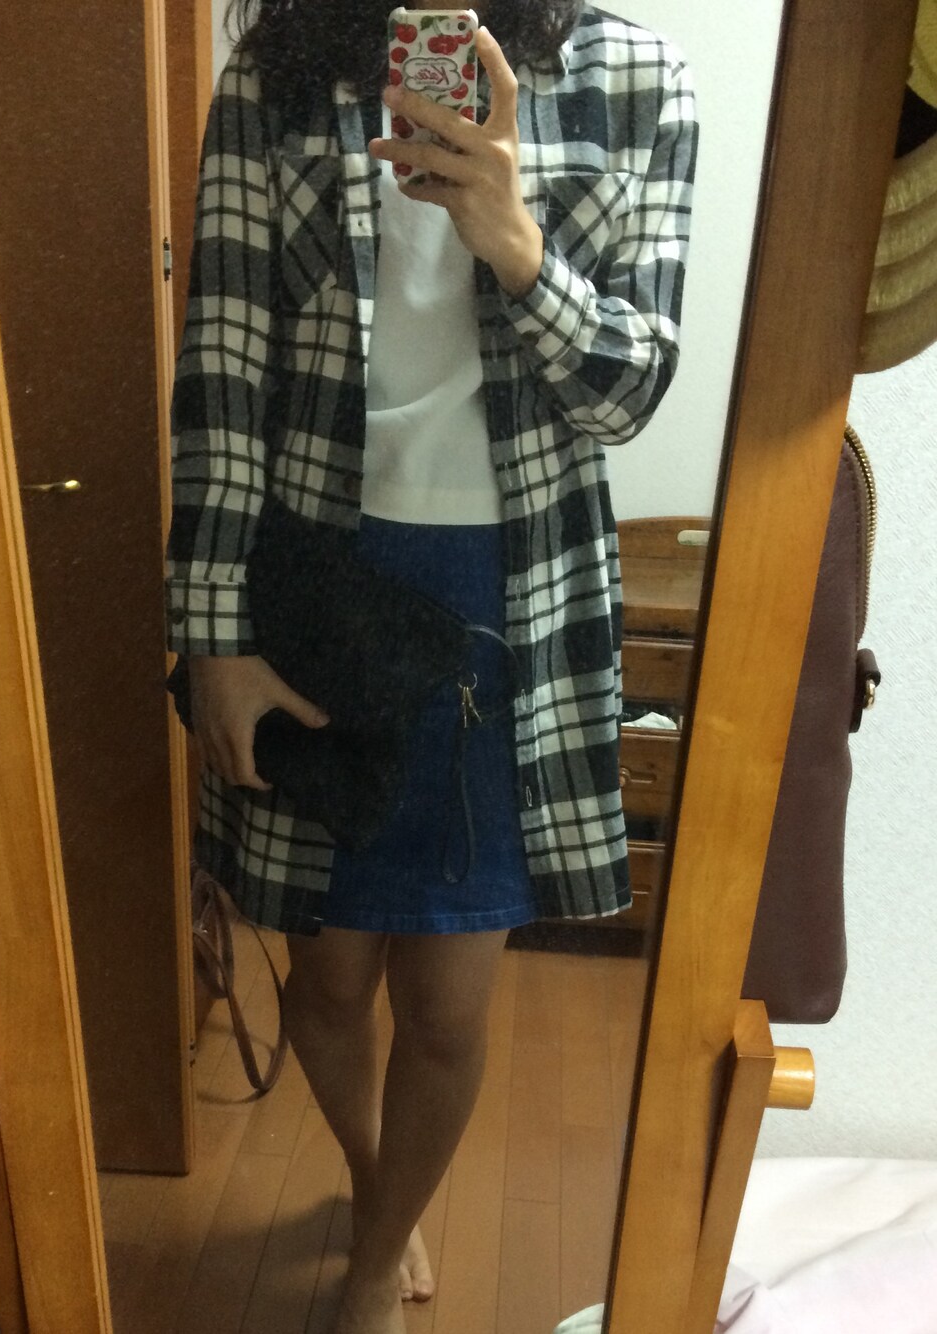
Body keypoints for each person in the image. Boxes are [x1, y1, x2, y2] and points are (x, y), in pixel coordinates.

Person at [164, 2, 697, 1330]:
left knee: (451, 999)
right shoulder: (278, 69)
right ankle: (375, 1190)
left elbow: (630, 394)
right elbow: (221, 367)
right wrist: (212, 635)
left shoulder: (636, 78)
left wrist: (517, 243)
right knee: (331, 976)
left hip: (513, 599)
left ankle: (374, 1257)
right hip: (319, 585)